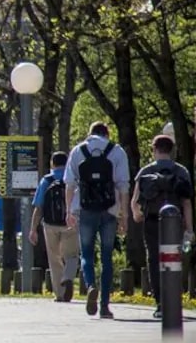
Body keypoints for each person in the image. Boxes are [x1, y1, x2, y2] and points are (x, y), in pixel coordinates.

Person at [64, 121, 130, 319]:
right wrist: (124, 216)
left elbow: (69, 184)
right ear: (107, 134)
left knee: (86, 254)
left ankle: (91, 285)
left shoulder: (78, 151)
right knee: (107, 256)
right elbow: (124, 186)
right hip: (110, 210)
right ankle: (104, 306)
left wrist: (68, 211)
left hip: (86, 209)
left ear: (89, 133)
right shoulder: (117, 151)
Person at [130, 133, 194, 319]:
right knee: (173, 260)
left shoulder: (146, 171)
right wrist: (189, 229)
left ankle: (159, 304)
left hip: (152, 221)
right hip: (174, 222)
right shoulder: (181, 171)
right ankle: (173, 300)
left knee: (154, 260)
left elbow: (135, 201)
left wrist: (136, 213)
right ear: (172, 150)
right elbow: (187, 203)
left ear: (154, 150)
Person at [29, 151, 80, 302]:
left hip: (50, 224)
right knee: (71, 256)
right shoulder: (74, 178)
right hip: (71, 222)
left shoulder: (47, 180)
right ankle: (68, 277)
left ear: (52, 163)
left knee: (54, 258)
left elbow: (38, 207)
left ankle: (60, 294)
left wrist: (33, 229)